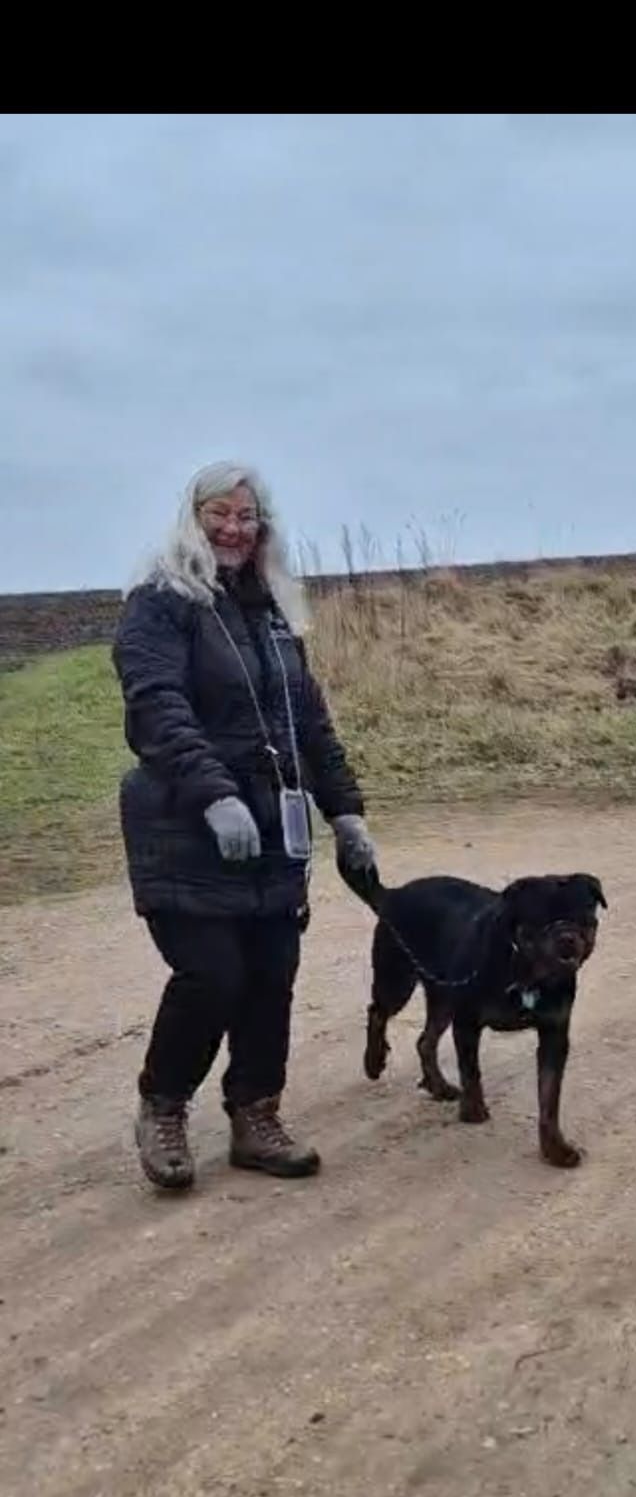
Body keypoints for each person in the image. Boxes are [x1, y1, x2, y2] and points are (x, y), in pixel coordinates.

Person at [113, 461, 378, 1192]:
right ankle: (163, 1107)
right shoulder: (160, 604)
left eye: (247, 516)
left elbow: (310, 724)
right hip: (184, 826)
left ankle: (255, 1115)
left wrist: (345, 810)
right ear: (192, 517)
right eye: (218, 514)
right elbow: (156, 706)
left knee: (271, 975)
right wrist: (213, 794)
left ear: (264, 526)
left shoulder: (270, 614)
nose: (233, 529)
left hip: (273, 828)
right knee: (212, 975)